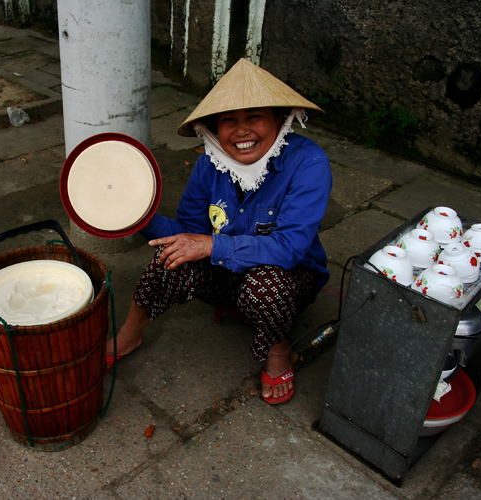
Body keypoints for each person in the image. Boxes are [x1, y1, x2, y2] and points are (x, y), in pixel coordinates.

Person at [106, 58, 332, 405]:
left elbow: (289, 247)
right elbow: (190, 231)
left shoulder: (308, 162)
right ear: (213, 130)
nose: (241, 131)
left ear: (279, 118)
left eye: (254, 117)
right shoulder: (208, 164)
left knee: (266, 287)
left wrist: (211, 245)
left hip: (288, 277)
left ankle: (278, 349)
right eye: (229, 121)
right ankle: (129, 335)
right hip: (224, 274)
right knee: (172, 254)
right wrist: (136, 215)